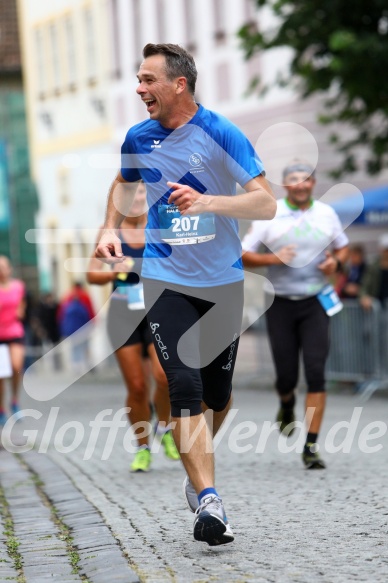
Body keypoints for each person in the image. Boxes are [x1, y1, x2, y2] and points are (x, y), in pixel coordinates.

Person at [95, 43, 276, 546]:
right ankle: (210, 500)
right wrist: (109, 227)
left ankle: (196, 468)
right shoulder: (139, 136)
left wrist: (208, 201)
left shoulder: (220, 132)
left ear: (179, 84)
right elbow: (123, 182)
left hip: (222, 282)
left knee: (217, 394)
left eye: (148, 79)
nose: (139, 88)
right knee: (183, 385)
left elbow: (266, 204)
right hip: (164, 277)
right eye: (137, 78)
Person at [242, 161, 349, 469]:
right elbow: (241, 253)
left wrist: (336, 265)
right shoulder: (270, 213)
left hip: (315, 301)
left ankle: (311, 446)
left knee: (316, 372)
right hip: (280, 304)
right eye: (293, 180)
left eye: (306, 180)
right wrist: (271, 258)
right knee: (286, 376)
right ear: (285, 184)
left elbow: (342, 248)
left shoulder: (326, 214)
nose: (300, 185)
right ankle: (286, 403)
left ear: (313, 183)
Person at [87, 182, 180, 471]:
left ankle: (164, 428)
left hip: (157, 310)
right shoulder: (109, 232)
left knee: (163, 378)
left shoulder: (161, 227)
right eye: (131, 195)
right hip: (123, 315)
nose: (137, 200)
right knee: (137, 386)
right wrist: (115, 271)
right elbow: (92, 274)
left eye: (142, 194)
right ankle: (142, 447)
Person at [0, 255, 26, 425]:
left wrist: (20, 311)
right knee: (2, 374)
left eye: (4, 266)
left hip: (15, 331)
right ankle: (1, 408)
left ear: (9, 269)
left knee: (16, 366)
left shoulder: (18, 286)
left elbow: (22, 303)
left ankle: (15, 400)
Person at [58, 282, 96, 373]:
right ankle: (88, 364)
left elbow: (61, 314)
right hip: (84, 327)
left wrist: (62, 328)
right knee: (86, 346)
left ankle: (76, 366)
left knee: (74, 347)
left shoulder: (67, 296)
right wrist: (93, 322)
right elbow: (90, 311)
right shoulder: (85, 296)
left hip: (72, 329)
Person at [359, 234, 388, 310]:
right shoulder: (373, 266)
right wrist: (364, 297)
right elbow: (365, 285)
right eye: (385, 250)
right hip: (376, 306)